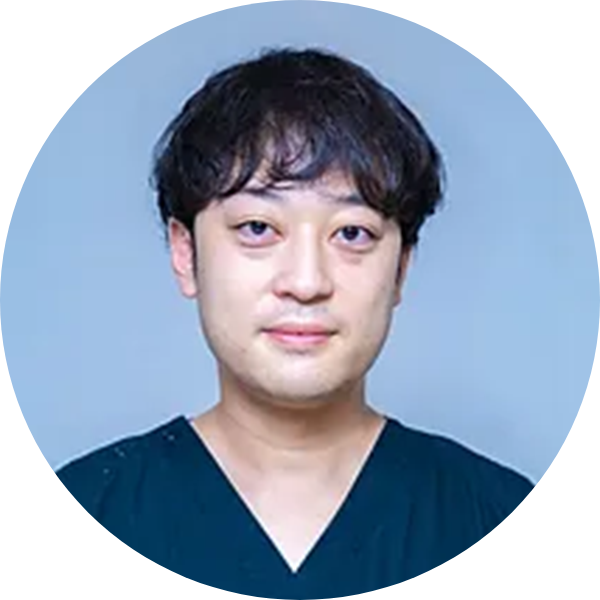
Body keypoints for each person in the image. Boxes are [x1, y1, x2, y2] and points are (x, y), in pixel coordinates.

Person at [0, 47, 596, 600]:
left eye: (352, 233)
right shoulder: (79, 527)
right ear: (186, 254)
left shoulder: (507, 533)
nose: (306, 281)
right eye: (258, 228)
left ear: (400, 269)